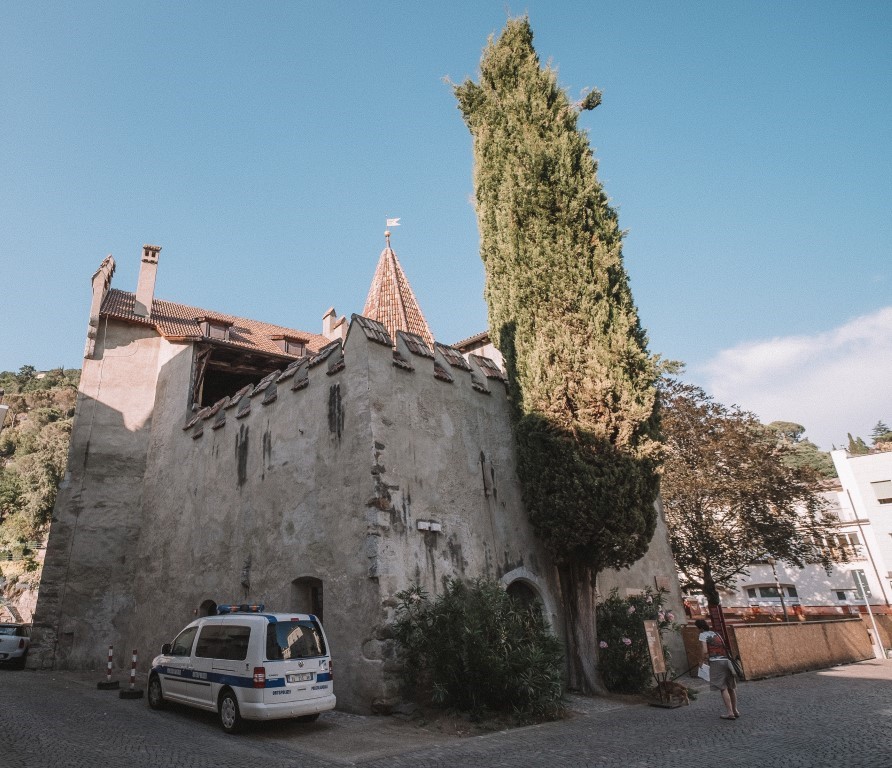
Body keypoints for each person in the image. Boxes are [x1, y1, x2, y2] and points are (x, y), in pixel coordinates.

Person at [695, 618, 740, 720]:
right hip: (726, 660)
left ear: (700, 628)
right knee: (731, 687)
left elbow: (705, 650)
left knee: (722, 687)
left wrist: (701, 661)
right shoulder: (717, 634)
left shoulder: (703, 635)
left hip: (716, 662)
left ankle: (730, 713)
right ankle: (735, 710)